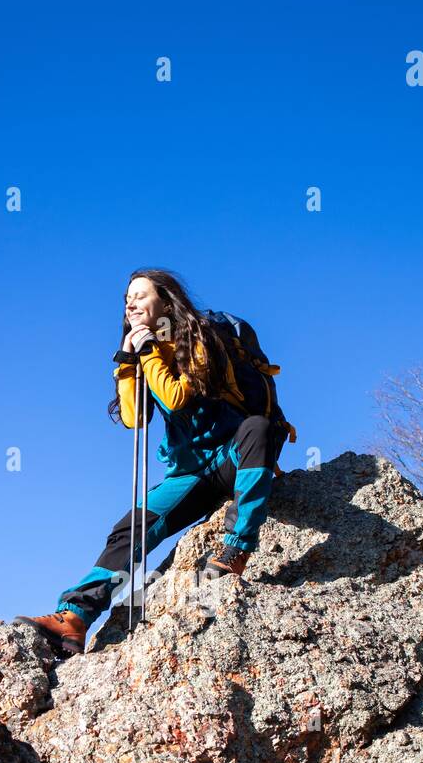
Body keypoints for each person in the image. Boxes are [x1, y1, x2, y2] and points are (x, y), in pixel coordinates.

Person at [16, 268, 292, 658]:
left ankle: (235, 551)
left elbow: (178, 396)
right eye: (127, 297)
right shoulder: (147, 350)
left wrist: (148, 353)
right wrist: (128, 364)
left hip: (234, 454)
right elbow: (135, 418)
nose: (130, 303)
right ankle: (75, 616)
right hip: (191, 472)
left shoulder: (198, 338)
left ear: (166, 300)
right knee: (131, 527)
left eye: (141, 295)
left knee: (258, 429)